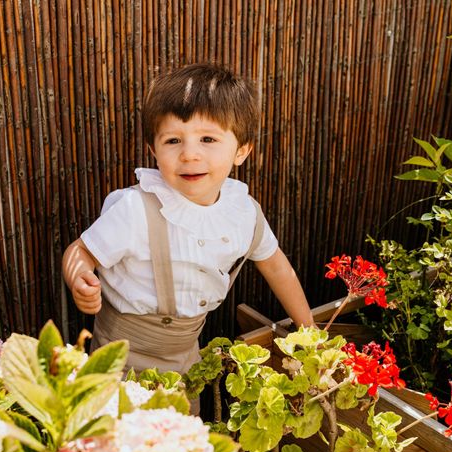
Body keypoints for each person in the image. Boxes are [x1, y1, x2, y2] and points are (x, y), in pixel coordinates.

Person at [62, 63, 314, 382]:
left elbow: (277, 267)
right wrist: (80, 276)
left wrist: (309, 328)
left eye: (207, 139)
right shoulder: (137, 208)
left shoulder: (243, 214)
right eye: (173, 141)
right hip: (121, 356)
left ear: (242, 150)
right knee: (121, 428)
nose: (189, 154)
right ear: (153, 150)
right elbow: (80, 250)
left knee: (184, 426)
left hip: (185, 355)